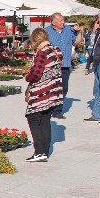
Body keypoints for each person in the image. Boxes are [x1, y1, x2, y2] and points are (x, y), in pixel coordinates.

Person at [24, 28, 64, 162]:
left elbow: (36, 74)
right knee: (45, 120)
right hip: (54, 91)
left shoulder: (42, 52)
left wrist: (27, 77)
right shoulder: (56, 50)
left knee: (33, 118)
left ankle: (39, 151)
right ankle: (45, 151)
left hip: (42, 93)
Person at [45, 12, 82, 119]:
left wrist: (79, 32)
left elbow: (76, 42)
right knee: (52, 88)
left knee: (63, 88)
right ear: (53, 23)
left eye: (63, 20)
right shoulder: (47, 31)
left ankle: (57, 111)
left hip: (65, 64)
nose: (63, 22)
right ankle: (49, 108)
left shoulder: (68, 30)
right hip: (52, 65)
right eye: (60, 20)